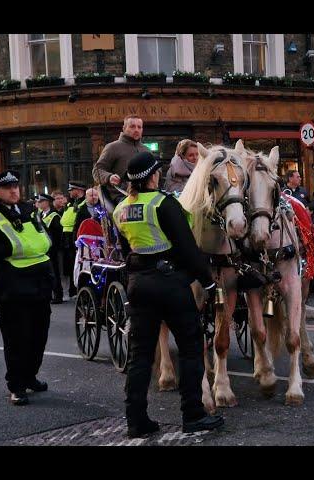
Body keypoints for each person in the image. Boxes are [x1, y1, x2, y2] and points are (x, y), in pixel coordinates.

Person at [113, 151, 224, 438]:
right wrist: (207, 281)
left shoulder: (121, 209)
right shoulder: (165, 204)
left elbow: (127, 250)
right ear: (152, 176)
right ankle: (193, 414)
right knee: (190, 348)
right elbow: (187, 248)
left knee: (140, 355)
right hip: (171, 283)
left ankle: (136, 421)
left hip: (138, 284)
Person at [0, 170, 53, 405]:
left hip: (39, 283)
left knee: (39, 335)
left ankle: (30, 376)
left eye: (16, 186)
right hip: (13, 287)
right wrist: (12, 249)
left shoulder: (29, 210)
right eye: (8, 188)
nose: (14, 191)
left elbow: (43, 239)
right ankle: (16, 386)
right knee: (17, 339)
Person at [92, 115, 151, 203]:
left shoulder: (146, 150)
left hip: (146, 194)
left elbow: (157, 172)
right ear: (124, 128)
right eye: (132, 126)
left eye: (139, 127)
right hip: (121, 196)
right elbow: (97, 171)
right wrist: (109, 177)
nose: (136, 130)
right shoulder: (112, 147)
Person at [36, 193, 64, 304]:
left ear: (47, 202)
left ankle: (58, 295)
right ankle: (49, 293)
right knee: (46, 273)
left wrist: (53, 247)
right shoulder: (40, 215)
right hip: (43, 248)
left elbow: (57, 234)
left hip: (52, 249)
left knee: (54, 272)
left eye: (41, 201)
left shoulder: (54, 215)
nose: (38, 203)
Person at [60, 181, 87, 299]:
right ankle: (72, 290)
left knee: (77, 264)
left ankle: (77, 290)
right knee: (69, 266)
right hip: (66, 236)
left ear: (79, 190)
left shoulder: (84, 203)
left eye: (72, 190)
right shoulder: (71, 203)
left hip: (76, 236)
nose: (70, 192)